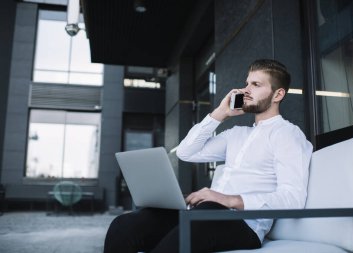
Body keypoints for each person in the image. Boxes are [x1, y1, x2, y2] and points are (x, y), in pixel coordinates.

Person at [103, 59, 313, 253]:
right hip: (204, 213)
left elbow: (293, 198)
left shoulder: (287, 134)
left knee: (195, 223)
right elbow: (186, 152)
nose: (245, 90)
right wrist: (220, 113)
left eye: (256, 85)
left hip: (243, 224)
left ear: (278, 95)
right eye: (246, 83)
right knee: (125, 225)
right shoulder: (236, 134)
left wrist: (227, 200)